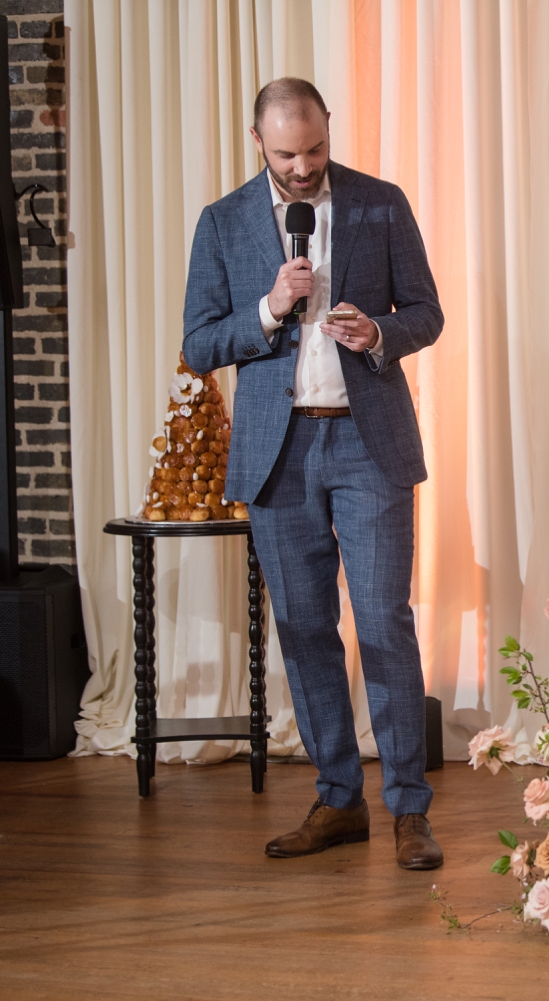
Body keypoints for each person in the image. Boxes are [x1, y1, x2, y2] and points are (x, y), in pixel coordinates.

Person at [183, 78, 445, 870]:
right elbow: (199, 345)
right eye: (286, 154)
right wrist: (267, 309)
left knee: (383, 624)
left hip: (368, 445)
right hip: (279, 452)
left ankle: (407, 809)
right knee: (303, 631)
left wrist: (380, 332)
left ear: (330, 130)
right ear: (256, 141)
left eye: (315, 150)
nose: (303, 168)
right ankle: (339, 799)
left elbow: (427, 311)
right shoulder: (224, 222)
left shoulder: (380, 202)